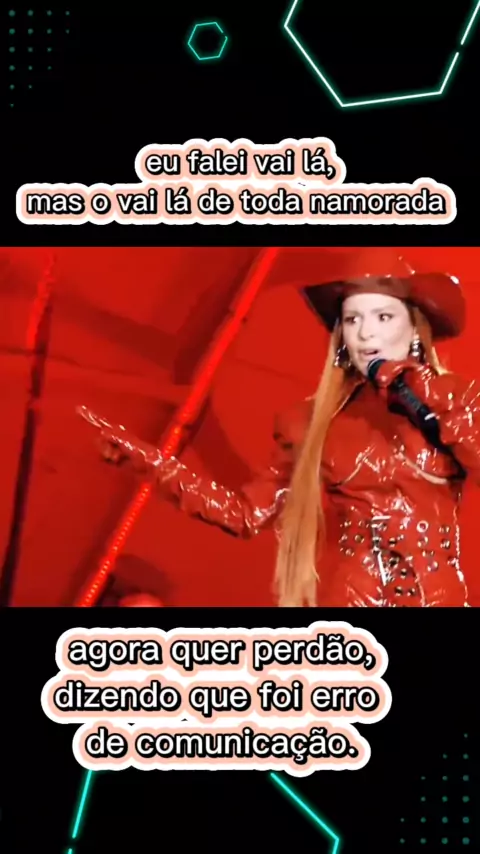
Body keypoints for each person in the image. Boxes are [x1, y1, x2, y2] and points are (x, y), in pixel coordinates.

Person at [77, 248, 478, 608]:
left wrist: (427, 396)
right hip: (352, 596)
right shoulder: (310, 424)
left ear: (414, 328)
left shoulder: (457, 398)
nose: (366, 332)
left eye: (383, 316)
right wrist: (151, 462)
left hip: (438, 593)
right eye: (353, 318)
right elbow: (245, 515)